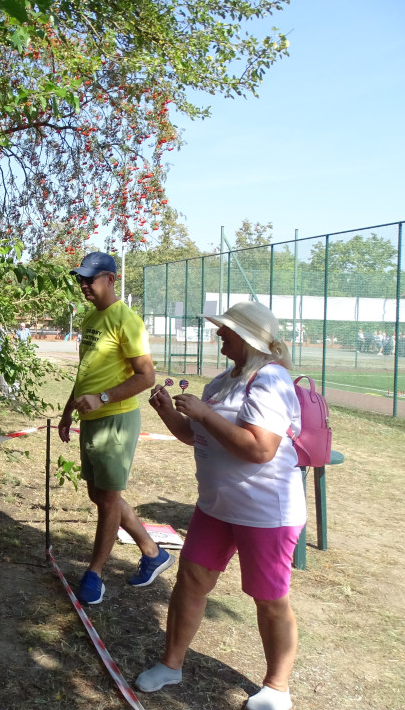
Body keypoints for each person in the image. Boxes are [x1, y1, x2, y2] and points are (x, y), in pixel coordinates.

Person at [137, 301, 304, 710]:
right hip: (215, 506)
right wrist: (168, 413)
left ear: (248, 336)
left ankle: (277, 688)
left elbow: (260, 449)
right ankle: (171, 665)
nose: (218, 335)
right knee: (191, 581)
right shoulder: (221, 382)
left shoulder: (272, 380)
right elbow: (194, 436)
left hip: (265, 513)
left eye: (225, 330)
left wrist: (203, 414)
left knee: (268, 597)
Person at [57, 251, 165, 604]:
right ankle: (152, 552)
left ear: (111, 279)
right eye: (81, 280)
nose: (84, 285)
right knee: (101, 495)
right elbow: (86, 370)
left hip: (115, 420)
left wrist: (102, 399)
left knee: (107, 501)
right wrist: (67, 411)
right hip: (91, 419)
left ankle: (95, 574)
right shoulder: (90, 319)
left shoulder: (126, 320)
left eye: (90, 278)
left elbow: (146, 377)